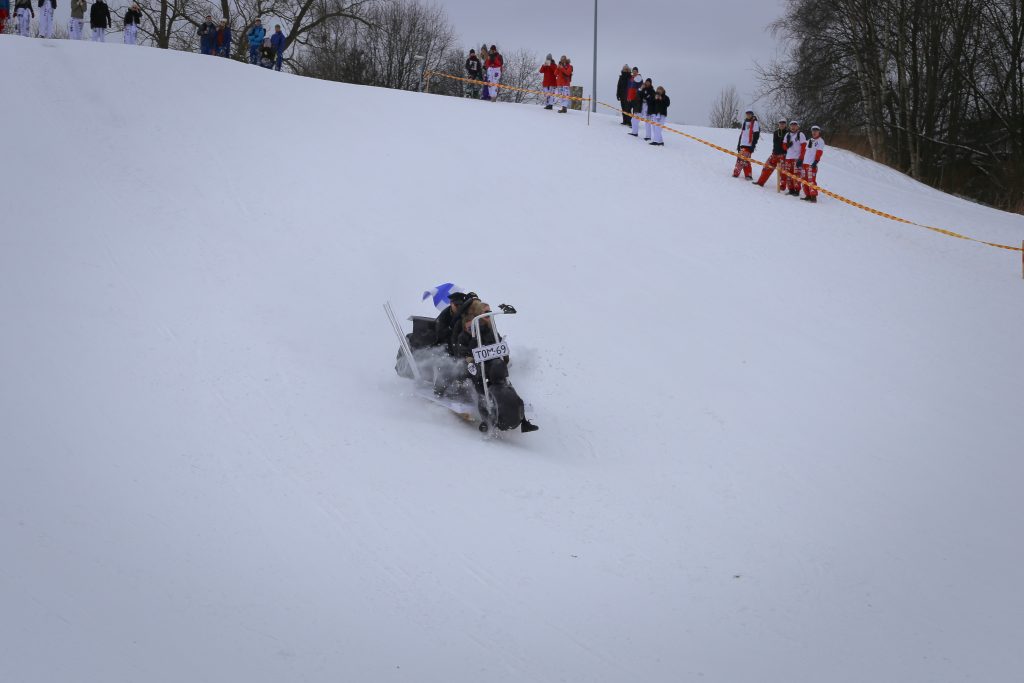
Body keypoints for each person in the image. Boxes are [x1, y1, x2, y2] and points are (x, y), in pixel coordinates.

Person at [454, 300, 538, 433]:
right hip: (477, 369)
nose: (471, 330)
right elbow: (464, 352)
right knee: (482, 392)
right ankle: (486, 421)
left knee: (508, 384)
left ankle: (523, 420)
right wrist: (469, 355)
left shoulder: (488, 330)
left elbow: (498, 344)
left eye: (473, 328)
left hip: (492, 366)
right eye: (469, 328)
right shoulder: (464, 337)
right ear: (465, 327)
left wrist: (504, 355)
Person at [754, 118, 789, 188]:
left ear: (785, 124)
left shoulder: (788, 133)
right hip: (775, 154)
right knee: (767, 167)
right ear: (778, 124)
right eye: (780, 123)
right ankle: (760, 182)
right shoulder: (776, 132)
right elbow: (775, 144)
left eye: (783, 123)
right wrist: (773, 152)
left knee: (783, 171)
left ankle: (782, 186)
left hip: (783, 155)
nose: (782, 125)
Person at [799, 125, 827, 202]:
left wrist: (816, 161)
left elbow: (819, 152)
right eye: (813, 131)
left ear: (819, 132)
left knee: (811, 180)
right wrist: (800, 160)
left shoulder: (820, 141)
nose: (814, 132)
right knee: (804, 180)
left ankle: (813, 196)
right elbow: (804, 152)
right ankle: (807, 195)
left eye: (816, 131)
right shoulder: (809, 141)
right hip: (804, 164)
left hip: (812, 164)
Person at [732, 110, 760, 180]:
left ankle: (736, 173)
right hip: (743, 144)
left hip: (749, 144)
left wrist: (753, 145)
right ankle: (748, 175)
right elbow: (742, 134)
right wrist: (739, 144)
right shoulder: (744, 122)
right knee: (746, 160)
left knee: (741, 159)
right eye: (747, 114)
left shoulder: (755, 122)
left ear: (752, 114)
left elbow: (756, 135)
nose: (748, 115)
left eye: (749, 114)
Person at [782, 120, 807, 197]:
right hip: (788, 158)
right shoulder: (787, 135)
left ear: (797, 126)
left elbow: (804, 147)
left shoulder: (800, 134)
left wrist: (801, 158)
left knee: (796, 175)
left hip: (797, 158)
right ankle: (791, 190)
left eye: (794, 125)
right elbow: (784, 146)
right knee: (788, 174)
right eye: (791, 125)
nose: (793, 127)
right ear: (789, 127)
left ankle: (797, 190)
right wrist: (787, 145)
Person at [625, 68, 643, 136]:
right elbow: (628, 88)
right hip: (630, 97)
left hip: (636, 98)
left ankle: (634, 126)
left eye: (635, 71)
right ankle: (631, 123)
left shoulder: (639, 78)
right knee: (628, 110)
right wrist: (628, 96)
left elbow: (640, 88)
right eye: (633, 71)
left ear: (637, 72)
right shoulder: (630, 78)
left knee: (635, 112)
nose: (634, 72)